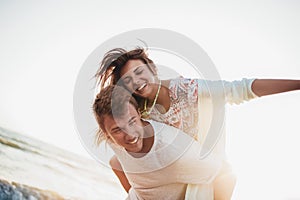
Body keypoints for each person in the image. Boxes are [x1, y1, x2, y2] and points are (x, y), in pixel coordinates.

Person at [95, 47, 300, 199]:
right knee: (116, 162)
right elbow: (118, 157)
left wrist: (296, 84)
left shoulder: (186, 89)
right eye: (128, 81)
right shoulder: (139, 111)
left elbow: (240, 89)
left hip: (205, 167)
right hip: (176, 174)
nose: (137, 82)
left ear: (152, 69)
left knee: (226, 176)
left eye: (139, 72)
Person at [93, 85, 224, 200]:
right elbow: (115, 162)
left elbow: (225, 174)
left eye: (132, 122)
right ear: (107, 134)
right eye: (117, 130)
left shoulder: (172, 148)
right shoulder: (113, 141)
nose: (130, 134)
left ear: (139, 114)